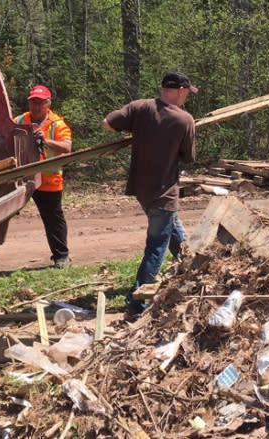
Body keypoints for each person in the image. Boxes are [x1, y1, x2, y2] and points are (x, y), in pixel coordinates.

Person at [102, 72, 198, 314]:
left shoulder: (140, 107)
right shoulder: (184, 120)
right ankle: (137, 300)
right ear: (179, 90)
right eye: (187, 92)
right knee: (156, 246)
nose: (186, 96)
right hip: (164, 192)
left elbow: (108, 124)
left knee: (174, 232)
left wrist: (141, 134)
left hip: (142, 190)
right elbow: (189, 157)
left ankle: (193, 272)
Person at [13, 85, 73, 268]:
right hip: (24, 179)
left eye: (39, 103)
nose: (35, 106)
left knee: (53, 219)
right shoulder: (20, 120)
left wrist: (46, 141)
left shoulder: (57, 124)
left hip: (49, 181)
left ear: (48, 103)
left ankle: (61, 257)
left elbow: (67, 147)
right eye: (33, 102)